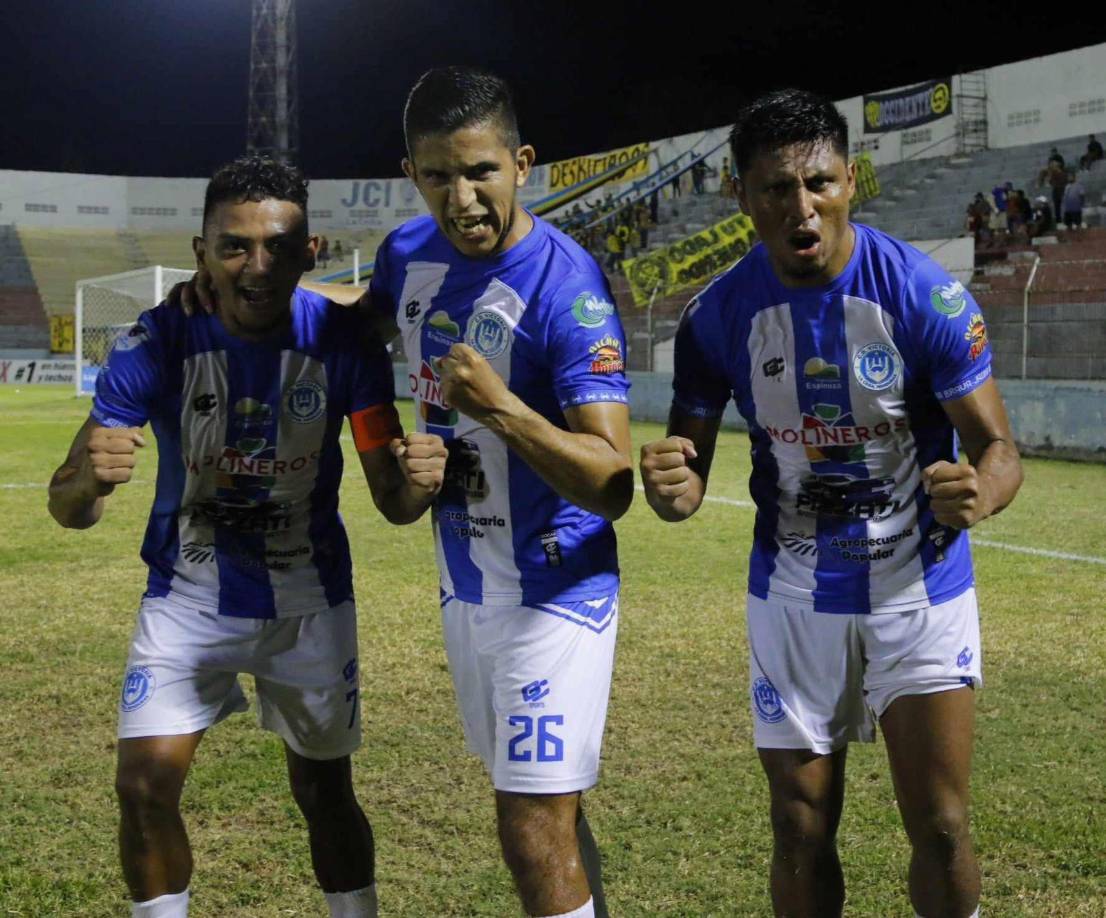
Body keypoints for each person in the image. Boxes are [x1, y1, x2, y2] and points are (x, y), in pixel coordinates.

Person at [640, 89, 1022, 918]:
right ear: (741, 197)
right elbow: (687, 470)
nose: (802, 207)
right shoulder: (715, 318)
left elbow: (998, 449)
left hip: (917, 590)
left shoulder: (922, 295)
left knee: (944, 825)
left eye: (819, 183)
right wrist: (674, 487)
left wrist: (979, 494)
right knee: (799, 828)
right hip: (792, 596)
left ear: (852, 179)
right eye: (777, 189)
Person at [48, 155, 448, 918]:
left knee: (325, 792)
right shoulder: (154, 340)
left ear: (309, 251)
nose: (255, 265)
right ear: (201, 254)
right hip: (186, 598)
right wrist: (90, 481)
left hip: (310, 603)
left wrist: (419, 481)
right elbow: (69, 507)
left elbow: (392, 500)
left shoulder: (344, 345)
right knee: (141, 789)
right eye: (233, 246)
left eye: (275, 246)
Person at [286, 66, 630, 918]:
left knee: (526, 826)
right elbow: (361, 321)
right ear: (412, 175)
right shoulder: (409, 255)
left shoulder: (568, 288)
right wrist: (261, 294)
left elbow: (612, 480)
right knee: (548, 809)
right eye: (439, 175)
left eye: (481, 171)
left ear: (522, 163)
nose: (463, 196)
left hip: (556, 587)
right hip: (466, 581)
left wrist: (503, 409)